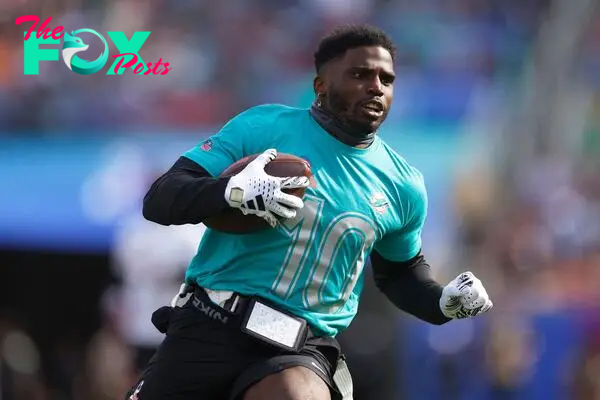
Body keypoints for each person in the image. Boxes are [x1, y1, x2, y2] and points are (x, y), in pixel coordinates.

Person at [128, 24, 493, 400]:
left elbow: (400, 273)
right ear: (320, 86)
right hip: (209, 325)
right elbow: (160, 199)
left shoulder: (403, 185)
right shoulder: (262, 126)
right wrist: (232, 191)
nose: (376, 87)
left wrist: (441, 303)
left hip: (299, 349)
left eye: (387, 79)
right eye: (360, 74)